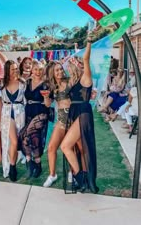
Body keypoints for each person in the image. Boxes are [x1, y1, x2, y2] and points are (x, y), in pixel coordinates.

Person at [61, 35, 99, 193]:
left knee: (65, 146)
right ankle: (87, 178)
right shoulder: (74, 81)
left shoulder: (86, 77)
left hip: (82, 113)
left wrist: (88, 42)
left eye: (74, 61)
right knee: (80, 149)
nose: (71, 63)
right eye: (70, 62)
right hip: (75, 113)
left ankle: (80, 178)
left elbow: (86, 58)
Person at [19, 60, 52, 179]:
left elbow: (48, 104)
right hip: (29, 111)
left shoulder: (47, 84)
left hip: (41, 112)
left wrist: (47, 97)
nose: (38, 72)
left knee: (25, 134)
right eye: (36, 69)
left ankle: (30, 163)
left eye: (40, 69)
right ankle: (35, 164)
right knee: (33, 138)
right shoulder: (27, 82)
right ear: (32, 69)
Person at [43, 61, 71, 187]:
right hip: (60, 119)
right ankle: (52, 175)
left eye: (61, 69)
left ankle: (72, 172)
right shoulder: (52, 87)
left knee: (71, 148)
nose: (60, 72)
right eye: (56, 70)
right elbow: (48, 104)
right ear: (52, 73)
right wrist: (45, 97)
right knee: (51, 147)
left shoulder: (70, 81)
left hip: (72, 118)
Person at [0, 60, 25, 181]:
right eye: (12, 69)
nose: (15, 71)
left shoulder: (23, 83)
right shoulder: (1, 83)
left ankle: (14, 163)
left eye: (16, 68)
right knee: (13, 142)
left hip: (20, 114)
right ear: (7, 71)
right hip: (6, 114)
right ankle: (12, 166)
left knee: (17, 142)